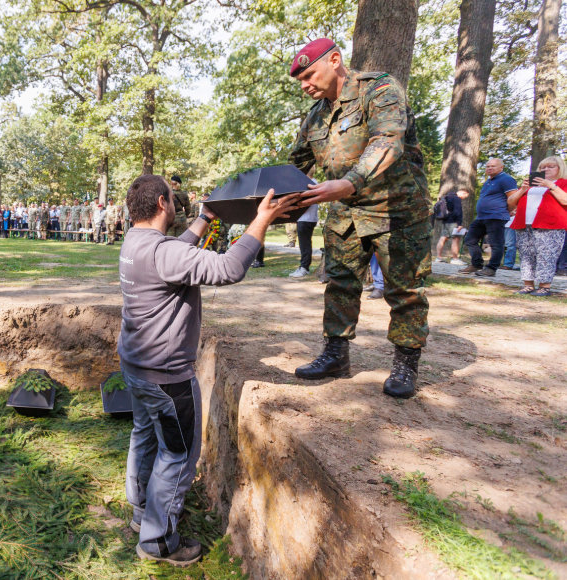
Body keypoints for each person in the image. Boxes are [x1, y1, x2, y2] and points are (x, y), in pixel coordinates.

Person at [118, 174, 298, 567]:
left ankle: (141, 511)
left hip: (135, 364)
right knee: (178, 455)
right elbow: (230, 268)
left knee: (145, 434)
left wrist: (206, 219)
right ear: (165, 203)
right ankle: (159, 541)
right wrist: (262, 219)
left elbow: (174, 251)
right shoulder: (162, 252)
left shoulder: (135, 241)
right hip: (166, 376)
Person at [288, 38, 432, 399]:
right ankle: (335, 355)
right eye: (300, 80)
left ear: (335, 60)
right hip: (345, 215)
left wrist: (348, 183)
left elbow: (388, 140)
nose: (305, 85)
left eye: (309, 75)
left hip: (394, 209)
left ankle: (405, 364)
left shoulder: (379, 89)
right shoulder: (316, 115)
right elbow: (294, 164)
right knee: (339, 284)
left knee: (404, 290)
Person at [507, 156, 567, 296]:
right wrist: (522, 189)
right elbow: (511, 202)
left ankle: (544, 287)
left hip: (550, 225)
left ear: (559, 168)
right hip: (525, 224)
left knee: (546, 255)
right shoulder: (531, 186)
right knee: (526, 255)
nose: (545, 169)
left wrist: (551, 186)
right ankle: (528, 285)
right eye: (542, 167)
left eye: (550, 167)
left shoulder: (562, 183)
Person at [460, 158, 518, 277]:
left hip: (496, 216)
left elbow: (514, 198)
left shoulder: (506, 179)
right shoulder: (488, 181)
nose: (489, 168)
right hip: (482, 216)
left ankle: (491, 268)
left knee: (496, 243)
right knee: (470, 239)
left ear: (501, 167)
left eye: (493, 166)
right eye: (487, 166)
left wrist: (508, 210)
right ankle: (476, 264)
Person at [432, 189, 468, 264]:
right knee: (456, 239)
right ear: (463, 192)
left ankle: (438, 257)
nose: (464, 198)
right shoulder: (456, 198)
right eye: (465, 196)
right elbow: (458, 212)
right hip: (453, 222)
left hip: (445, 221)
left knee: (443, 238)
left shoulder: (446, 197)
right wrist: (459, 224)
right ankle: (455, 259)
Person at [288, 204, 320, 277]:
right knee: (304, 245)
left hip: (306, 219)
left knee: (305, 245)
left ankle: (304, 268)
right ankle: (303, 267)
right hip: (305, 219)